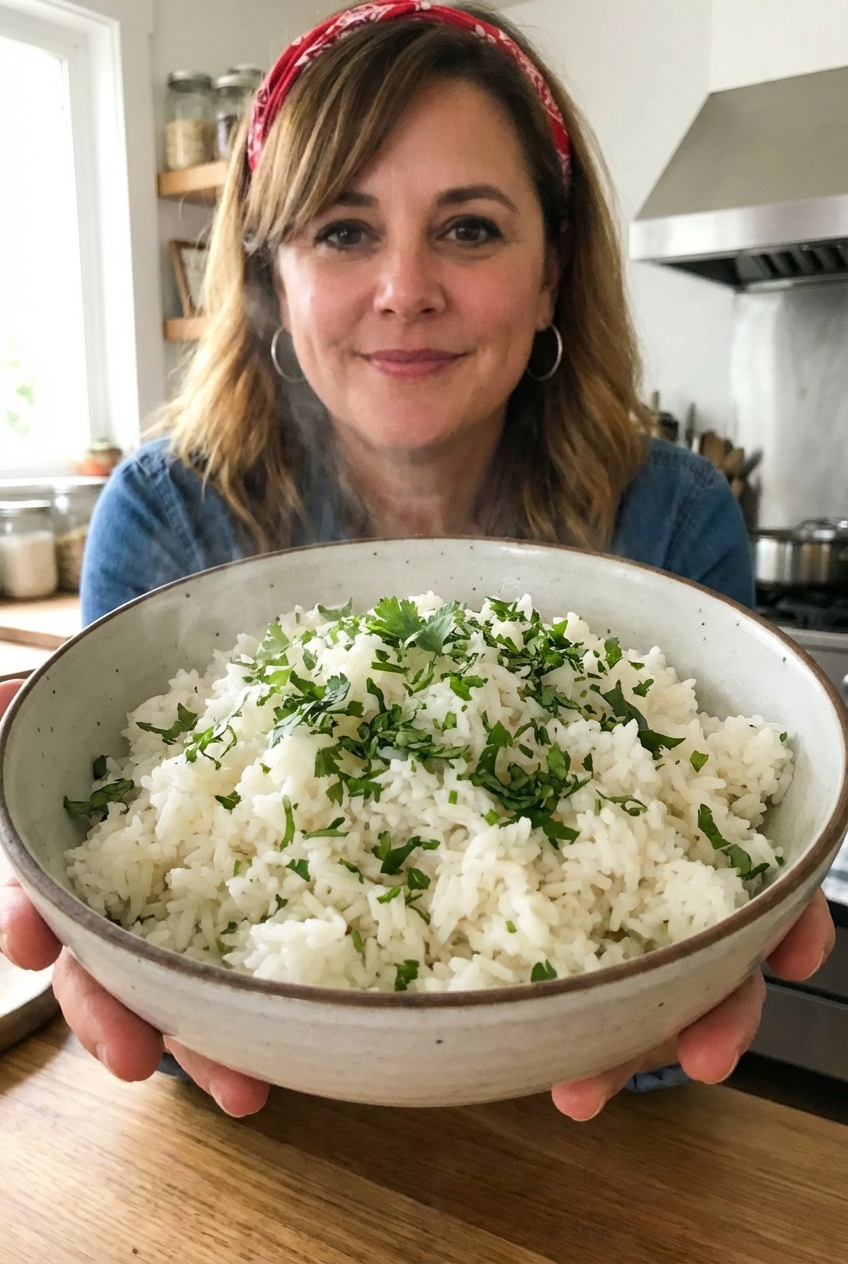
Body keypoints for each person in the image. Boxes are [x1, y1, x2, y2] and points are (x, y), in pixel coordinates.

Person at [0, 1, 834, 1121]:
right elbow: (126, 922)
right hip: (267, 1138)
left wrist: (669, 991)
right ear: (270, 275)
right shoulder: (165, 512)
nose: (405, 289)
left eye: (470, 229)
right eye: (343, 231)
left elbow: (702, 926)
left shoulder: (674, 512)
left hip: (601, 1147)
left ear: (551, 273)